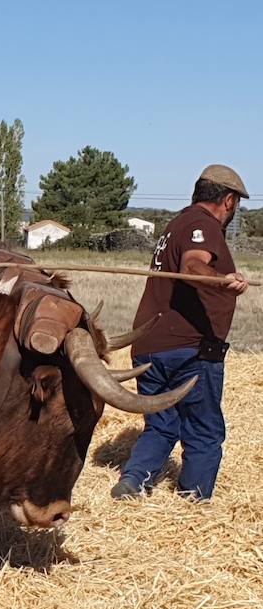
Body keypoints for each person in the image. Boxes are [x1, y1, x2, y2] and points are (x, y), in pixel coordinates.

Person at [113, 165, 251, 501]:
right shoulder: (203, 225)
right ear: (229, 201)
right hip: (188, 348)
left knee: (161, 424)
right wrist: (223, 280)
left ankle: (133, 482)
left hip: (149, 344)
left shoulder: (176, 224)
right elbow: (192, 265)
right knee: (204, 430)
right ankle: (194, 500)